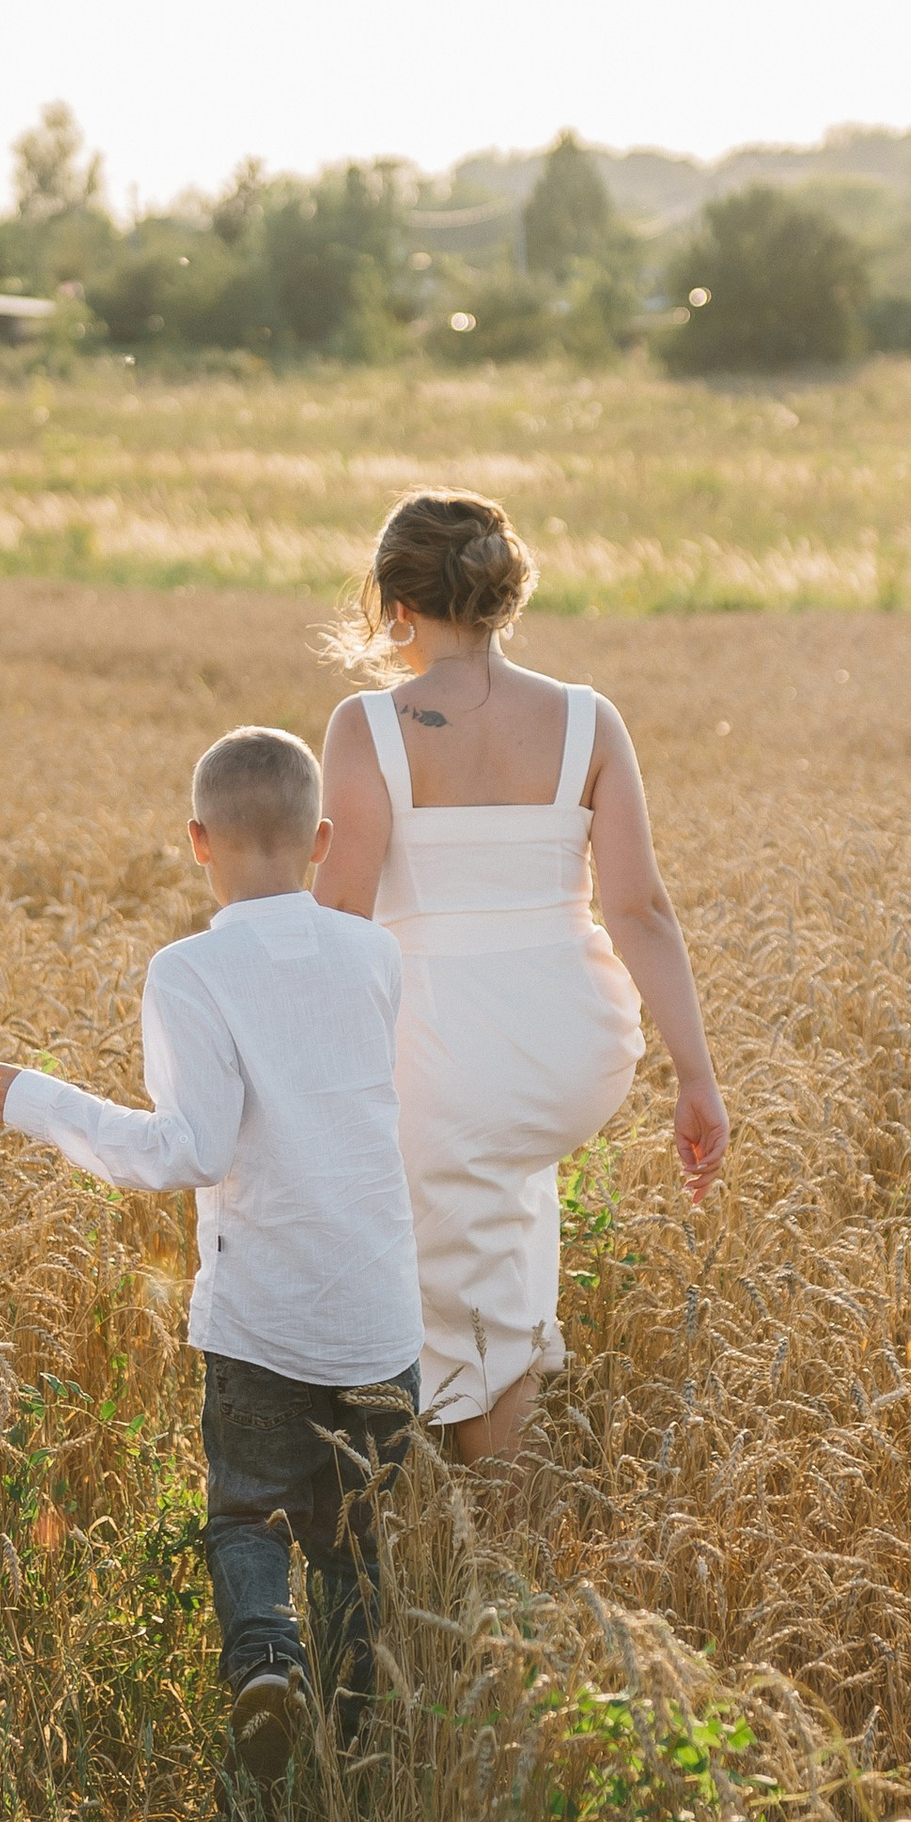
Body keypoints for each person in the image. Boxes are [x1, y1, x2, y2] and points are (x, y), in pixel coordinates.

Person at [0, 724, 422, 1782]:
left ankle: (266, 1656)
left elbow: (192, 1148)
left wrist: (43, 1103)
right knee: (354, 1543)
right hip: (379, 1321)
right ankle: (360, 1739)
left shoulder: (187, 970)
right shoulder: (377, 953)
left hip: (262, 1320)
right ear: (319, 839)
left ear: (195, 842)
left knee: (247, 1511)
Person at [316, 489, 728, 1460]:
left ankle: (449, 1522)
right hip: (569, 1048)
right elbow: (639, 909)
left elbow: (339, 915)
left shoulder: (369, 725)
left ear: (395, 604)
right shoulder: (589, 719)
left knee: (421, 1270)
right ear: (503, 591)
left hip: (439, 1045)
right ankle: (497, 1522)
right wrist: (695, 1076)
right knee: (504, 1217)